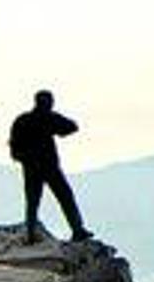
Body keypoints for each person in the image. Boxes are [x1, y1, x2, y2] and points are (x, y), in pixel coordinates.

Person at [8, 90, 93, 244]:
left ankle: (31, 234)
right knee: (65, 197)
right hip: (49, 167)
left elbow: (14, 148)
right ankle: (77, 230)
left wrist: (24, 159)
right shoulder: (48, 118)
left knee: (33, 201)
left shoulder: (23, 120)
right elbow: (72, 127)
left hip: (33, 167)